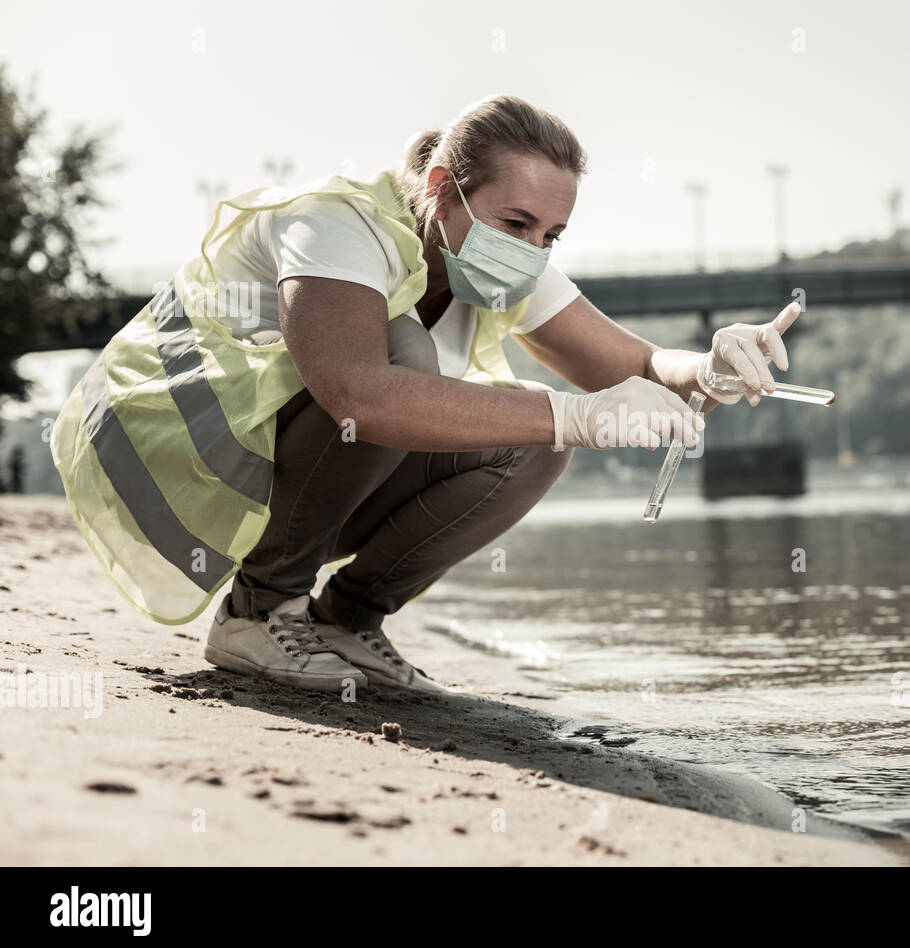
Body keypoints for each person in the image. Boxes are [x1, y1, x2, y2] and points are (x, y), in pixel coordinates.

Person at [53, 94, 800, 695]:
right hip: (170, 470)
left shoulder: (503, 259)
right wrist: (577, 412)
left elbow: (634, 364)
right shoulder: (339, 223)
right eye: (516, 224)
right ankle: (258, 610)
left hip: (269, 474)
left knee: (536, 447)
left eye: (552, 235)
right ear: (443, 189)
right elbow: (359, 396)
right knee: (411, 358)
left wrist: (711, 368)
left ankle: (345, 621)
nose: (534, 250)